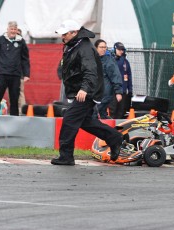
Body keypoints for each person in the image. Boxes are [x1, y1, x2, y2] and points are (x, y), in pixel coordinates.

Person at [51, 19, 123, 166]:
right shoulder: (72, 45)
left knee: (69, 119)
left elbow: (90, 71)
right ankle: (114, 137)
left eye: (65, 34)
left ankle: (66, 156)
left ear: (74, 32)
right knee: (85, 122)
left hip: (87, 92)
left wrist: (84, 89)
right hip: (80, 91)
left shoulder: (84, 48)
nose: (62, 36)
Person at [0, 21, 30, 116]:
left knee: (14, 98)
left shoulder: (21, 42)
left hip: (15, 75)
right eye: (11, 29)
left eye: (15, 29)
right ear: (7, 29)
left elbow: (25, 59)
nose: (13, 31)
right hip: (1, 73)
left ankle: (14, 118)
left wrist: (27, 74)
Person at [93, 39, 122, 119]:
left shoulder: (109, 60)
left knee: (94, 113)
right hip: (95, 93)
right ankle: (109, 129)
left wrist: (118, 92)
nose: (103, 49)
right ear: (96, 48)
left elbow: (115, 76)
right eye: (101, 47)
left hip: (105, 93)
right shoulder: (92, 59)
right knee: (102, 115)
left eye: (105, 47)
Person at [109, 42, 133, 119]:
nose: (121, 51)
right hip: (113, 91)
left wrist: (130, 89)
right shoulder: (111, 60)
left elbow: (129, 75)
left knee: (121, 111)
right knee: (113, 110)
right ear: (114, 50)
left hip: (123, 90)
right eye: (119, 50)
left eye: (122, 50)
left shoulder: (126, 62)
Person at [17, 28, 27, 114]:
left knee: (20, 92)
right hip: (10, 74)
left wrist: (26, 74)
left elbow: (25, 61)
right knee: (11, 93)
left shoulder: (22, 46)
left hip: (19, 74)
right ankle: (15, 109)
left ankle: (23, 110)